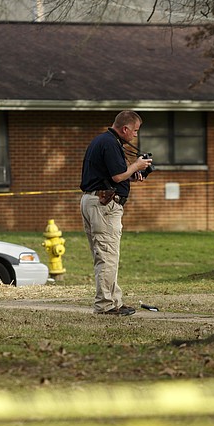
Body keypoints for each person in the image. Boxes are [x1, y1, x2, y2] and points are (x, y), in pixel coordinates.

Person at [80, 111, 152, 316]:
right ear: (125, 129)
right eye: (135, 131)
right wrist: (136, 166)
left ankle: (114, 301)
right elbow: (118, 176)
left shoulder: (101, 140)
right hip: (104, 205)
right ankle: (105, 305)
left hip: (92, 201)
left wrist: (133, 173)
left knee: (104, 255)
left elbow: (115, 175)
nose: (135, 135)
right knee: (108, 256)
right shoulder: (111, 144)